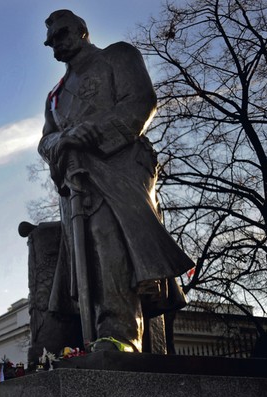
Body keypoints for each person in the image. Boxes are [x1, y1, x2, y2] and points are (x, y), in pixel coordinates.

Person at [38, 10, 194, 352]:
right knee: (86, 253)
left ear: (82, 30)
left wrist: (93, 133)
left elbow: (141, 101)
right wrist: (61, 143)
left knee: (110, 237)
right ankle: (93, 334)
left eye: (62, 35)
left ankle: (122, 333)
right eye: (51, 42)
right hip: (77, 181)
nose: (57, 46)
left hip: (119, 164)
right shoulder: (55, 97)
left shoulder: (118, 56)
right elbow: (45, 141)